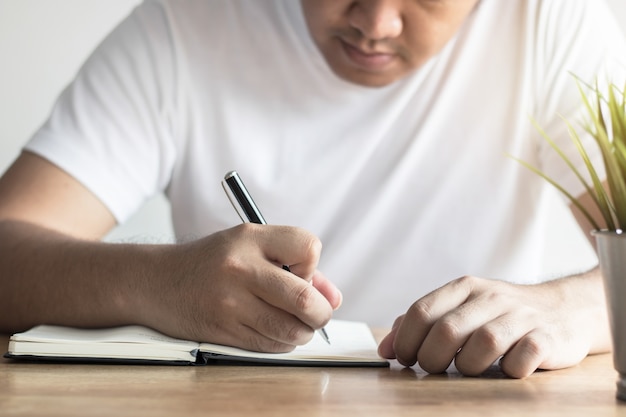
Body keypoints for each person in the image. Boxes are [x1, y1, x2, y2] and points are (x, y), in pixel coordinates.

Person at [0, 0, 624, 379]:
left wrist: (575, 307)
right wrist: (161, 283)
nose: (376, 23)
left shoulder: (550, 21)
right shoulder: (185, 25)